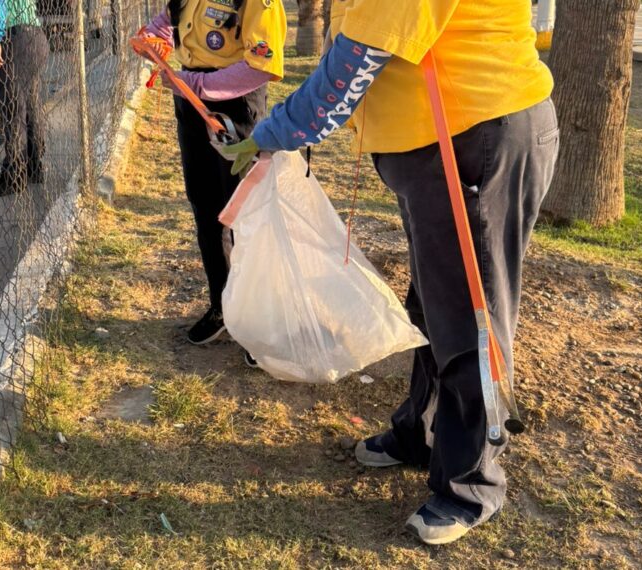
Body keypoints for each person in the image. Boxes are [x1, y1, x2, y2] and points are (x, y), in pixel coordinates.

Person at [225, 0, 559, 546]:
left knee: (470, 314)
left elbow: (355, 63)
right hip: (438, 143)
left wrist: (275, 131)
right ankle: (421, 433)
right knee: (433, 300)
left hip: (474, 138)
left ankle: (470, 482)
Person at [139, 0, 286, 358]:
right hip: (191, 102)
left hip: (233, 107)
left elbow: (261, 66)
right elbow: (169, 22)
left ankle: (259, 322)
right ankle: (222, 305)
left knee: (246, 214)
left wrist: (194, 84)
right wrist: (150, 39)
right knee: (205, 208)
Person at [0, 0, 49, 197]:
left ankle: (14, 176)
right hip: (35, 36)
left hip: (12, 39)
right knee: (30, 104)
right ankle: (35, 166)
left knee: (12, 110)